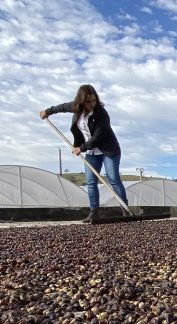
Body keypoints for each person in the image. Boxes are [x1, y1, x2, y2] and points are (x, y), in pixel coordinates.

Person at [40, 84, 128, 222]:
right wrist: (47, 111)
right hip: (92, 152)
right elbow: (61, 107)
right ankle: (94, 213)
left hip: (108, 150)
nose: (92, 104)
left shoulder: (102, 114)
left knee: (114, 179)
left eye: (94, 100)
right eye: (88, 101)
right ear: (81, 100)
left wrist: (81, 148)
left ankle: (125, 211)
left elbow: (99, 136)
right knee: (90, 182)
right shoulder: (76, 107)